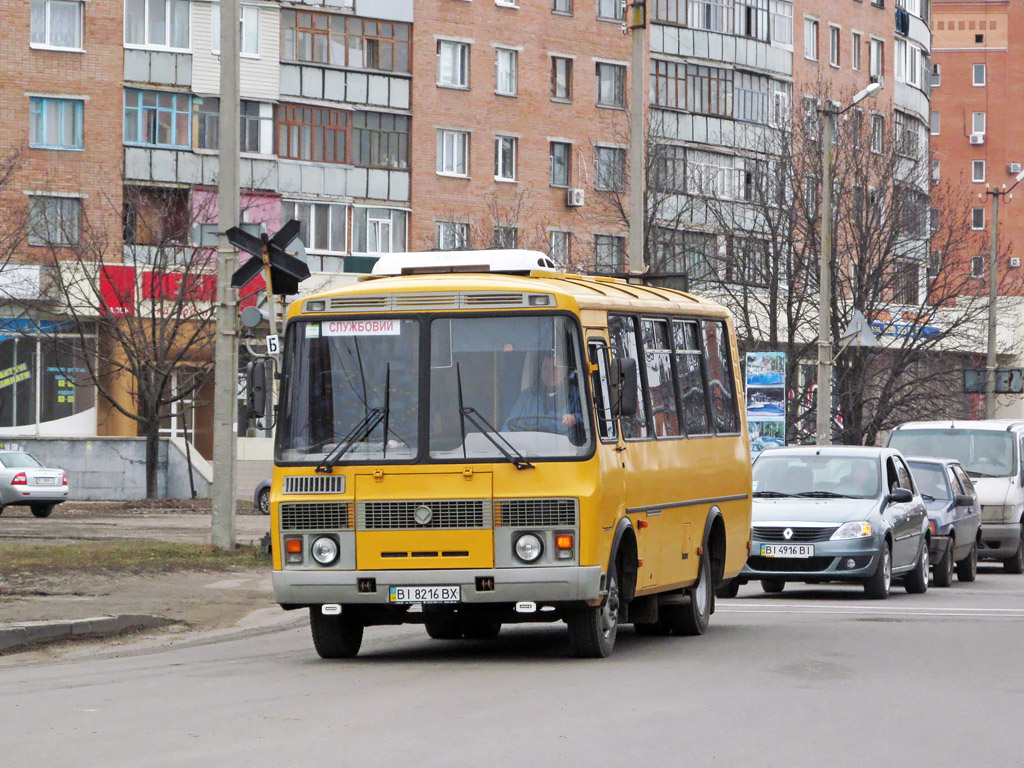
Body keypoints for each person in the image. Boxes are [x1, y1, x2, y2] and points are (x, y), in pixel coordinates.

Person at [503, 351, 583, 440]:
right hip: (529, 448)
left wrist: (575, 418)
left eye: (555, 369)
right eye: (546, 368)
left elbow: (590, 423)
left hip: (565, 450)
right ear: (541, 370)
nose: (551, 373)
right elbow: (509, 425)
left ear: (564, 371)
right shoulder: (527, 397)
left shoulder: (577, 396)